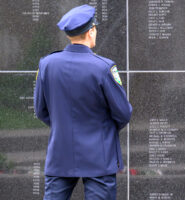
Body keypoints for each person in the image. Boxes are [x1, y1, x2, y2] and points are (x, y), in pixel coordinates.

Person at [34, 4, 132, 200]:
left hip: (60, 154)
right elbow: (123, 113)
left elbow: (41, 110)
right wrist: (102, 130)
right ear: (91, 31)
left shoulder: (47, 65)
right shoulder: (103, 68)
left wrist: (64, 126)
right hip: (99, 155)